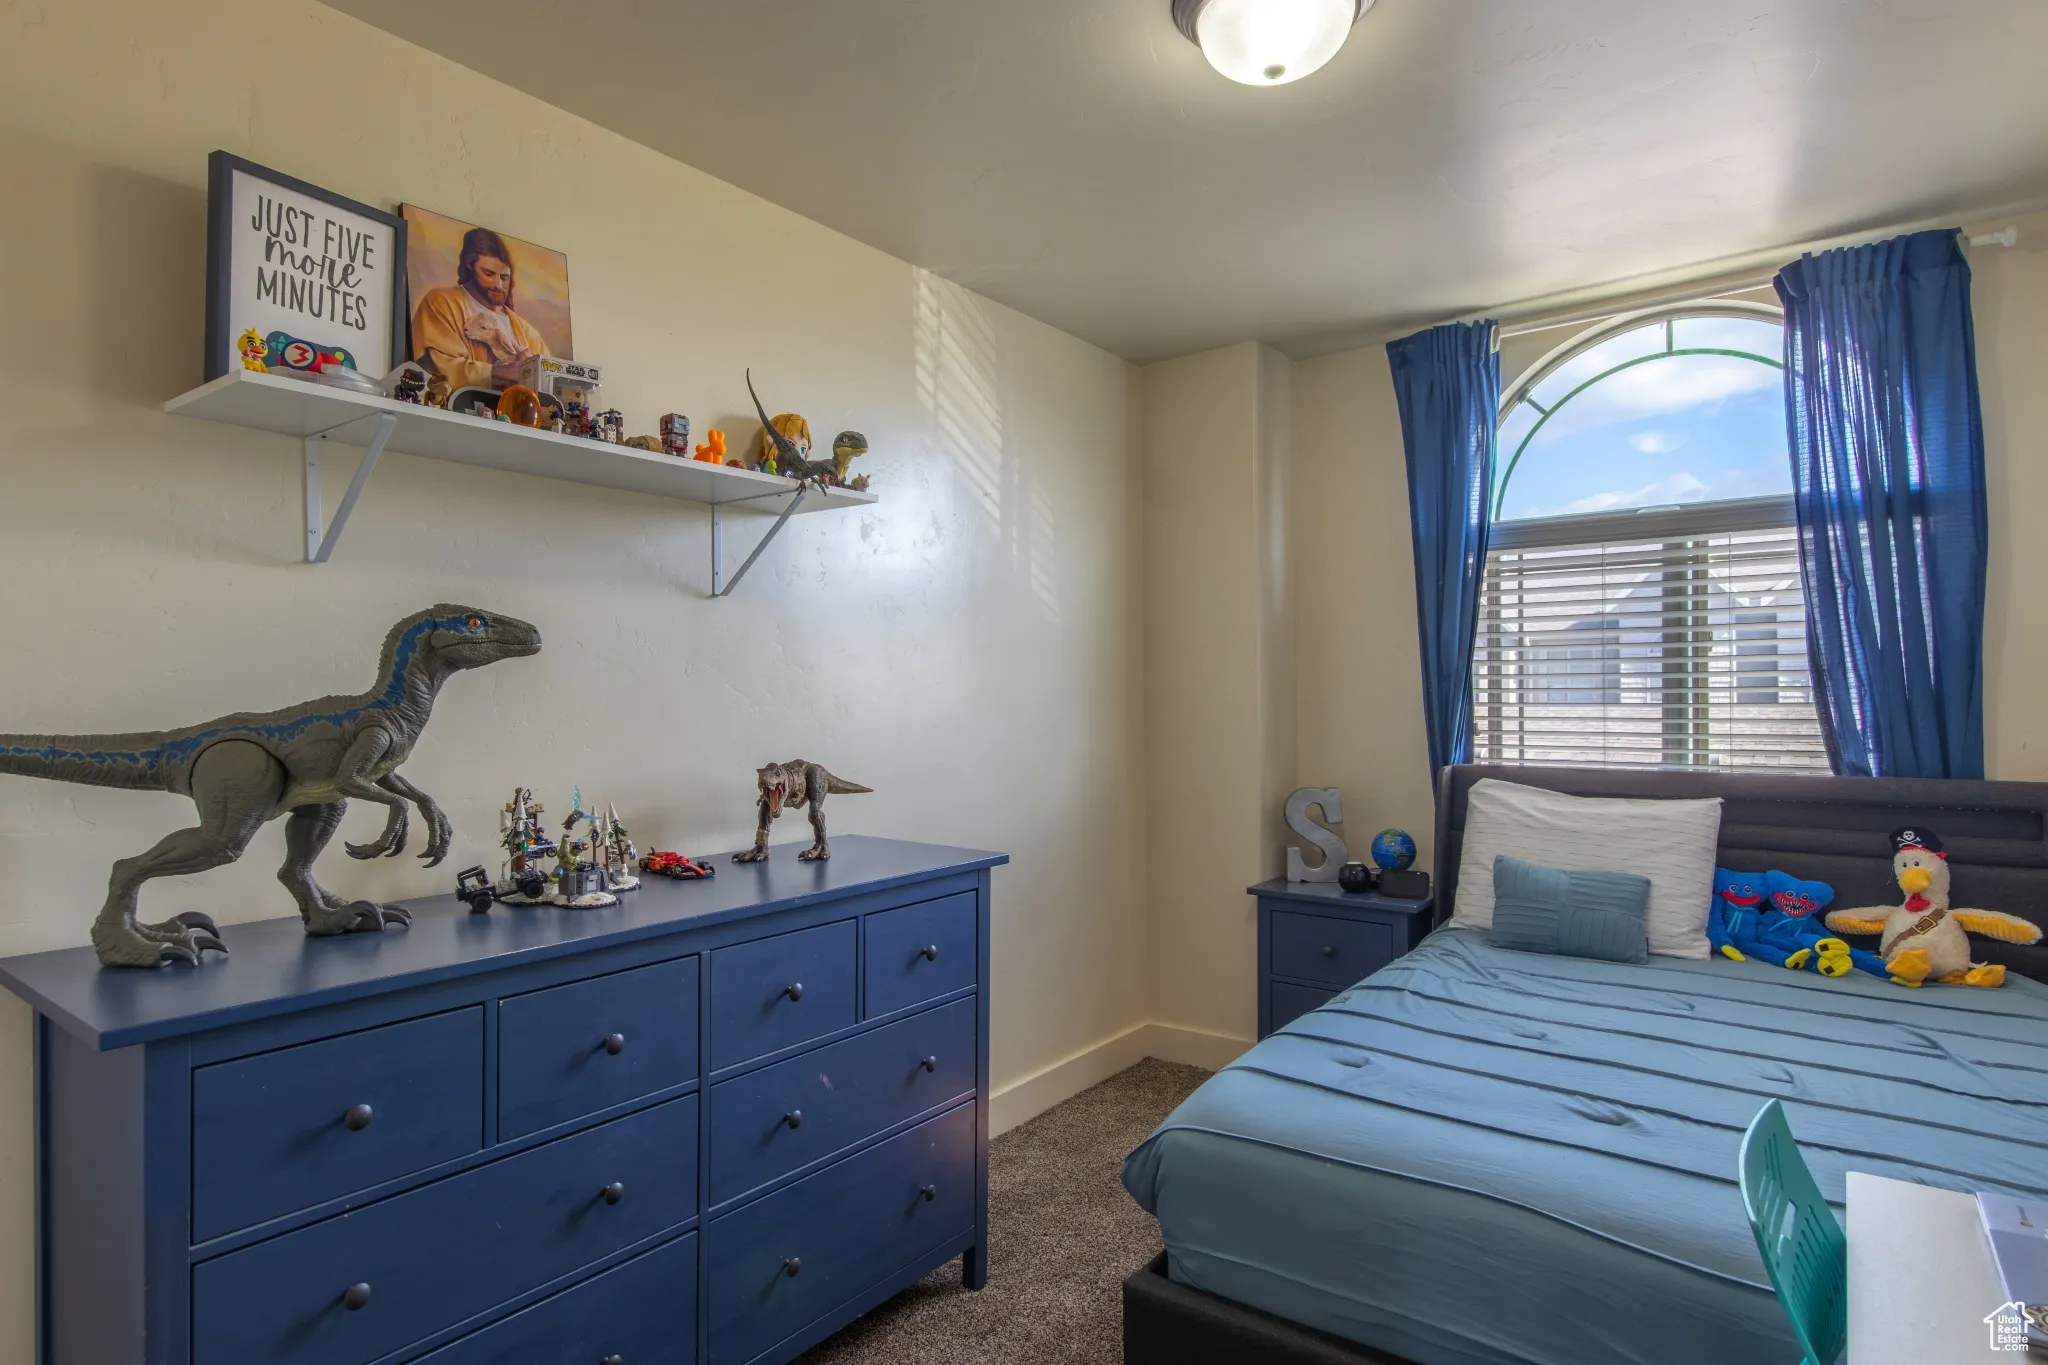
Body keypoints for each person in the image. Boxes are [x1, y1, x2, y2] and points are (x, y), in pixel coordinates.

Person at [410, 227, 549, 389]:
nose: (498, 285)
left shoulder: (528, 333)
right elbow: (440, 367)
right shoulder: (440, 303)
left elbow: (548, 379)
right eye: (489, 274)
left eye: (504, 277)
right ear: (470, 267)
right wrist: (502, 373)